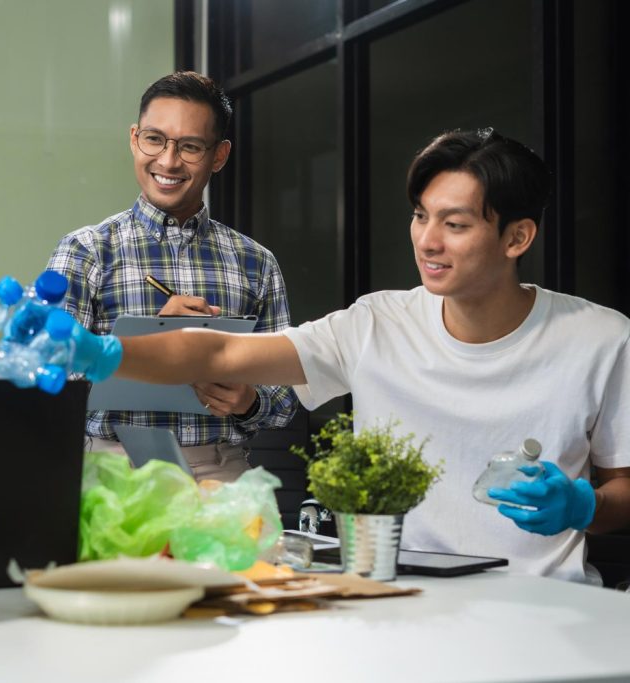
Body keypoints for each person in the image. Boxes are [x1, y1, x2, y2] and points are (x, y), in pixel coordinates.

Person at [109, 129, 630, 582]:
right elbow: (219, 350)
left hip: (544, 606)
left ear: (517, 237)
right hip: (400, 598)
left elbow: (622, 491)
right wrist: (101, 352)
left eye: (455, 224)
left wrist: (583, 505)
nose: (427, 241)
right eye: (421, 216)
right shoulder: (376, 324)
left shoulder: (599, 339)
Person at [46, 71, 298, 482]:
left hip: (220, 473)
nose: (167, 161)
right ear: (134, 139)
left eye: (190, 147)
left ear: (219, 155)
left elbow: (285, 397)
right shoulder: (85, 251)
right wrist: (153, 343)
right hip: (113, 474)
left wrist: (248, 400)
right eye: (154, 139)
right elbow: (51, 380)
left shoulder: (256, 263)